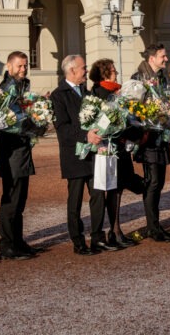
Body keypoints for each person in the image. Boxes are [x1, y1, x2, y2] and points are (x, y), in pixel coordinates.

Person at [52, 55, 118, 255]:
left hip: (93, 153)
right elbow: (62, 129)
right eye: (83, 68)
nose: (85, 71)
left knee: (98, 194)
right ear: (72, 70)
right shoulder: (58, 95)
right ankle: (78, 239)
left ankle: (98, 236)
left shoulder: (87, 92)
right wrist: (85, 135)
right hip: (73, 155)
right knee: (75, 199)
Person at [89, 58, 144, 247]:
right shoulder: (99, 93)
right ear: (105, 73)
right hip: (108, 148)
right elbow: (101, 122)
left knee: (118, 189)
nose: (116, 73)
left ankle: (116, 230)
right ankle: (113, 230)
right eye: (113, 70)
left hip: (120, 147)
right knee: (111, 189)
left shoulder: (117, 92)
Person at [0, 51, 42, 260]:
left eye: (25, 66)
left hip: (22, 149)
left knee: (20, 199)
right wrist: (30, 122)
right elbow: (5, 120)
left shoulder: (22, 87)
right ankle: (7, 244)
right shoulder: (5, 89)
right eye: (19, 66)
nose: (23, 69)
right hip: (11, 150)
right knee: (11, 199)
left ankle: (18, 240)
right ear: (9, 66)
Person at [131, 43, 170, 241]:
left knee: (159, 182)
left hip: (162, 137)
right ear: (151, 59)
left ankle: (154, 225)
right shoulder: (138, 78)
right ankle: (152, 227)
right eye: (162, 56)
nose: (166, 59)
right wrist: (149, 116)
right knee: (153, 182)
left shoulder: (162, 79)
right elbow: (132, 109)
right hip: (148, 139)